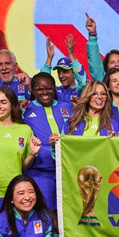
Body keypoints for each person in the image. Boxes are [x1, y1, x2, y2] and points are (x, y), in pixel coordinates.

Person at [64, 81, 119, 237]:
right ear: (87, 96)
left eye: (103, 94)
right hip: (77, 184)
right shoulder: (72, 122)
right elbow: (61, 156)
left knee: (102, 225)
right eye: (95, 94)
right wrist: (56, 144)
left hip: (105, 184)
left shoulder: (113, 123)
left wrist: (118, 142)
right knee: (80, 225)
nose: (100, 97)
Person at [0, 87, 41, 228]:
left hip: (15, 193)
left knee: (14, 232)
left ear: (12, 104)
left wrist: (32, 153)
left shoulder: (25, 130)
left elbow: (23, 165)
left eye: (3, 102)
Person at [23, 72, 73, 211]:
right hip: (40, 172)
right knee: (46, 211)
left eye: (49, 88)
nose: (45, 92)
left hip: (66, 170)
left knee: (67, 211)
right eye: (40, 89)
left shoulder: (67, 107)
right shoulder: (26, 109)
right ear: (32, 91)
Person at [40, 35, 87, 103]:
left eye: (65, 72)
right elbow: (42, 83)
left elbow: (83, 81)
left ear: (74, 73)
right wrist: (49, 58)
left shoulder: (80, 90)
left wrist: (71, 55)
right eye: (59, 72)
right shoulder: (55, 91)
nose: (61, 76)